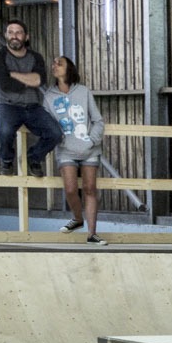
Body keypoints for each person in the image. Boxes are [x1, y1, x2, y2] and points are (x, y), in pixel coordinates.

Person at [44, 57, 108, 246]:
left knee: (90, 189)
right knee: (71, 189)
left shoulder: (83, 91)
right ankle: (78, 219)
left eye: (59, 63)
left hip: (89, 150)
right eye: (53, 63)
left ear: (69, 68)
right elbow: (46, 123)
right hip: (66, 150)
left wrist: (91, 140)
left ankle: (92, 234)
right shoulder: (49, 96)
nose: (54, 66)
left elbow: (98, 120)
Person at [0, 21, 61, 177]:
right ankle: (6, 159)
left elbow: (39, 80)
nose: (14, 36)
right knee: (5, 131)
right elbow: (4, 84)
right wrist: (27, 80)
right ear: (6, 35)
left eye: (18, 32)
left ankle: (34, 158)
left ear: (26, 36)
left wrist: (12, 74)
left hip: (32, 106)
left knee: (55, 133)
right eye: (10, 32)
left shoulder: (36, 57)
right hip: (6, 105)